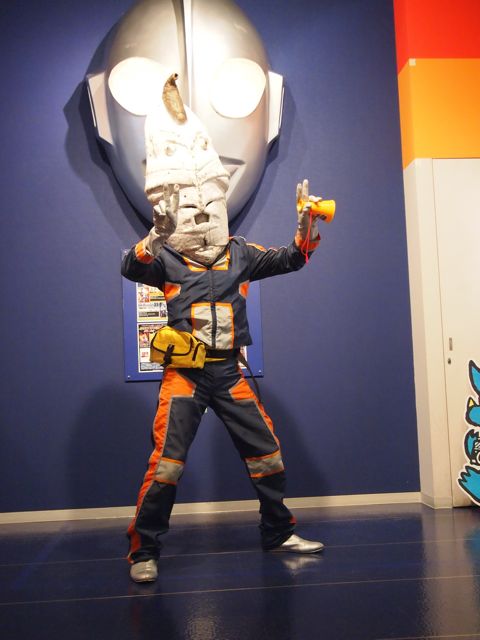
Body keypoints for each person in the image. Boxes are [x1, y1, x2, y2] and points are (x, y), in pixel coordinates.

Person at [121, 86, 325, 583]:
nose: (200, 212)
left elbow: (292, 259)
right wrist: (156, 235)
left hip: (229, 372)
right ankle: (144, 550)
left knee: (267, 453)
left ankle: (278, 531)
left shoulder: (240, 253)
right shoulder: (167, 258)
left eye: (208, 203)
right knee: (167, 464)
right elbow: (130, 267)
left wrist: (306, 225)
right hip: (185, 377)